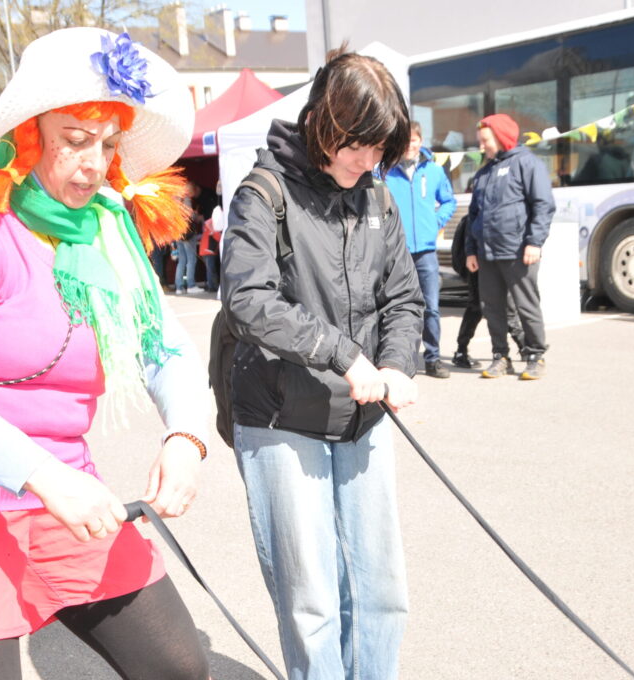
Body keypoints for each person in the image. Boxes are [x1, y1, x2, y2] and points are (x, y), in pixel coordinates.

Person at [0, 28, 211, 679]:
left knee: (177, 667)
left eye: (108, 144)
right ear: (27, 136)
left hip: (61, 489)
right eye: (74, 139)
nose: (95, 164)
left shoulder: (109, 230)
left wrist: (186, 437)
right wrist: (42, 475)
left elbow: (165, 349)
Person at [221, 47, 422, 679]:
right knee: (312, 601)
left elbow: (403, 297)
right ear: (321, 122)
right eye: (356, 145)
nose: (366, 162)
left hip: (362, 415)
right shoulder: (264, 193)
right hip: (280, 416)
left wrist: (397, 364)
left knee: (381, 591)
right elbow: (247, 301)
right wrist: (344, 355)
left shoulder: (377, 197)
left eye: (379, 149)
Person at [465, 113, 555, 380]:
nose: (481, 146)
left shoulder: (527, 163)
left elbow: (543, 205)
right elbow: (473, 215)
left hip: (518, 250)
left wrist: (534, 242)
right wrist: (471, 250)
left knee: (526, 306)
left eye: (485, 140)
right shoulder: (484, 172)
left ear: (501, 137)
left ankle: (536, 356)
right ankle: (500, 356)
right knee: (492, 308)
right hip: (487, 252)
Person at [383, 121, 456, 378]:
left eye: (413, 140)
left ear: (420, 141)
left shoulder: (433, 171)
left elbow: (448, 201)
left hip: (426, 251)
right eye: (404, 140)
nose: (409, 145)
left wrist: (435, 222)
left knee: (431, 307)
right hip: (396, 252)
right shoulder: (385, 172)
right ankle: (397, 360)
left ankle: (433, 358)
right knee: (396, 307)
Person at [450, 212, 525, 369]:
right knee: (478, 306)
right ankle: (461, 350)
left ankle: (523, 345)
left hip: (495, 259)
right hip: (480, 262)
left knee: (501, 306)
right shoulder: (477, 212)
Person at [173, 181, 202, 294]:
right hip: (188, 233)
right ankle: (191, 285)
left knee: (181, 260)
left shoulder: (174, 199)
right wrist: (195, 214)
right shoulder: (186, 199)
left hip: (177, 232)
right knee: (191, 259)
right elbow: (189, 215)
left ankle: (179, 287)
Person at [198, 181, 222, 292]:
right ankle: (213, 286)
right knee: (211, 269)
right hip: (209, 250)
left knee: (209, 269)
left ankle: (210, 285)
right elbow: (217, 237)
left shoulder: (206, 226)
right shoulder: (212, 226)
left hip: (205, 250)